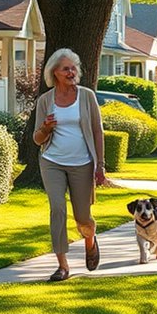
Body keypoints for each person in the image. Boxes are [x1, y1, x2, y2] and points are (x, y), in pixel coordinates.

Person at [32, 48, 106, 282]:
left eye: (74, 68)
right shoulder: (45, 100)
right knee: (57, 209)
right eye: (66, 68)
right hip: (52, 161)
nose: (71, 72)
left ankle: (90, 240)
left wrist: (100, 165)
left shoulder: (86, 96)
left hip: (82, 163)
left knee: (83, 217)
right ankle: (62, 266)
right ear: (54, 72)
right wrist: (45, 128)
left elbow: (97, 131)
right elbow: (37, 138)